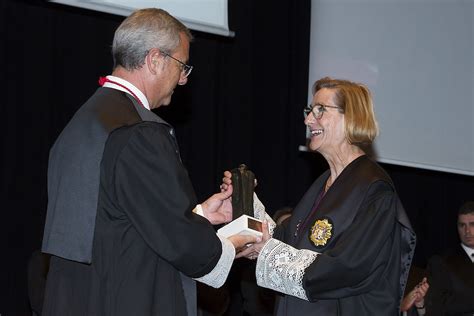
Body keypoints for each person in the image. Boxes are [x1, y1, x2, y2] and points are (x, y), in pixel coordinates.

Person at [41, 8, 258, 316]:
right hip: (123, 298)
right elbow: (186, 247)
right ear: (156, 60)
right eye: (182, 66)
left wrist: (197, 214)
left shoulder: (82, 122)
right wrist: (240, 238)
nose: (183, 81)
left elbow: (115, 217)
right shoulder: (139, 132)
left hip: (75, 296)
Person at [223, 77, 416, 315]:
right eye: (309, 110)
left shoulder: (374, 189)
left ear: (351, 117)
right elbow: (286, 240)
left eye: (320, 110)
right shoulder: (324, 183)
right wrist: (244, 203)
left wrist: (269, 254)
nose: (307, 119)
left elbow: (348, 267)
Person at [424, 201, 474, 316]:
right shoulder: (440, 262)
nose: (467, 231)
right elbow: (435, 307)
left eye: (472, 224)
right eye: (462, 225)